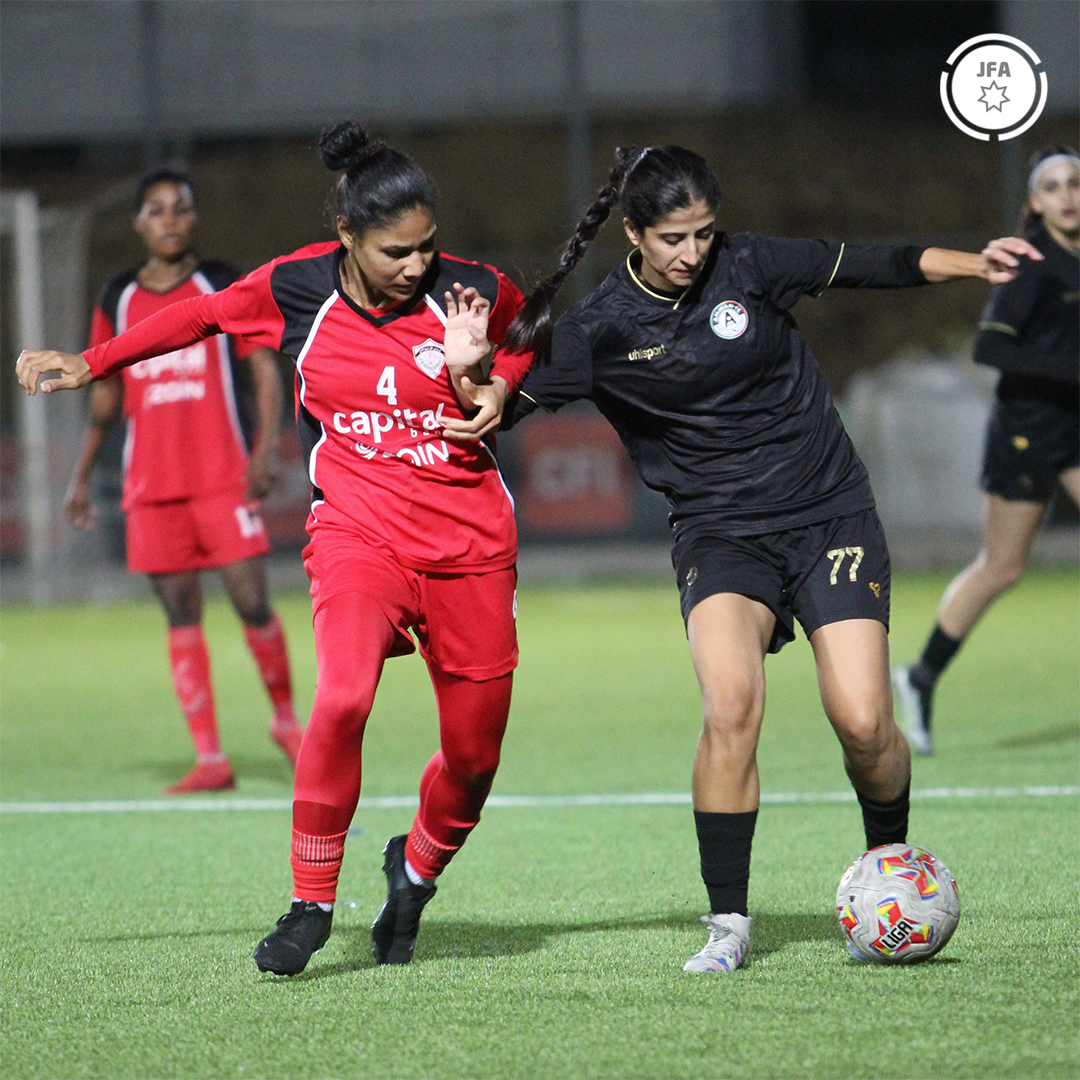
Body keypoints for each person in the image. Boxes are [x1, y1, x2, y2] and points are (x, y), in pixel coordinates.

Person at [479, 144, 1037, 973]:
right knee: (731, 707)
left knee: (864, 722)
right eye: (673, 237)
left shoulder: (751, 265)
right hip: (721, 535)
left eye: (703, 233)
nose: (692, 252)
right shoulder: (599, 329)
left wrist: (976, 262)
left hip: (828, 515)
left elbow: (877, 264)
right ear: (634, 233)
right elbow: (495, 407)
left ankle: (889, 864)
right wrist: (471, 372)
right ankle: (729, 923)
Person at [18, 122, 530, 976]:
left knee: (475, 758)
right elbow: (200, 317)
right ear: (348, 236)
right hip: (358, 533)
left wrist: (497, 383)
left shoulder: (471, 289)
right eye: (397, 251)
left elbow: (532, 339)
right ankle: (310, 903)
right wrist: (93, 361)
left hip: (470, 544)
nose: (417, 266)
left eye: (426, 246)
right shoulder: (296, 288)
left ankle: (413, 871)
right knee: (343, 697)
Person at [66, 167, 302, 795]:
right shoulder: (117, 297)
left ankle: (286, 722)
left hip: (224, 476)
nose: (169, 220)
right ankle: (210, 757)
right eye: (156, 210)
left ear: (194, 217)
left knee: (252, 601)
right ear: (138, 222)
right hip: (151, 486)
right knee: (180, 615)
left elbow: (264, 371)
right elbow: (104, 393)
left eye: (180, 208)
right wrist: (81, 475)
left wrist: (265, 449)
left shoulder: (220, 283)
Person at [893, 147, 1079, 755]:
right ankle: (921, 676)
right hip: (1027, 429)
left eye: (1074, 183)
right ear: (1035, 203)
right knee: (1001, 568)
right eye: (1052, 187)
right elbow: (990, 349)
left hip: (1074, 424)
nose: (1067, 195)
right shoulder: (1030, 263)